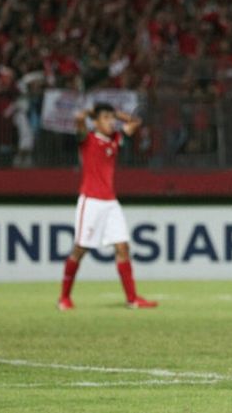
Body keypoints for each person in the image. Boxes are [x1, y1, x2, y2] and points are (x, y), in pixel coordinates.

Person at [58, 103, 158, 311]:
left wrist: (116, 114)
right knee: (80, 249)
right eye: (105, 118)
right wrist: (88, 112)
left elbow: (135, 123)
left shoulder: (115, 139)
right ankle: (64, 298)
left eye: (111, 119)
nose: (111, 122)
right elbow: (78, 120)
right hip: (91, 201)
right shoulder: (87, 139)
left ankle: (132, 299)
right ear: (95, 122)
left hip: (111, 202)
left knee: (122, 247)